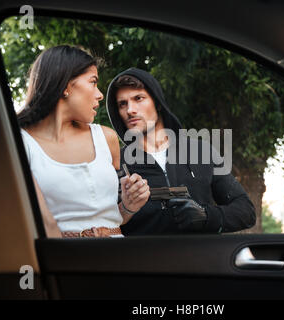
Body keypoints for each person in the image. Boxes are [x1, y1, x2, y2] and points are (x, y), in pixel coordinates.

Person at [17, 46, 150, 238]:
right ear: (65, 86)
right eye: (93, 82)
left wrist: (128, 207)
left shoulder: (107, 138)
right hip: (65, 260)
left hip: (120, 257)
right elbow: (42, 226)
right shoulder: (20, 144)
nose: (100, 94)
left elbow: (113, 219)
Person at [106, 67, 256, 235]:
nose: (130, 110)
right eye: (122, 104)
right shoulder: (116, 162)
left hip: (201, 258)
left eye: (138, 98)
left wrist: (206, 216)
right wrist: (126, 208)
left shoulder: (200, 151)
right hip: (145, 259)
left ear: (157, 102)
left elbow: (246, 211)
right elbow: (103, 224)